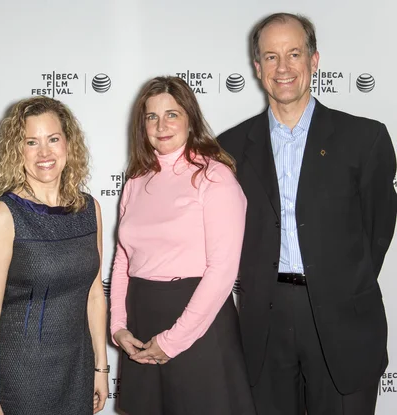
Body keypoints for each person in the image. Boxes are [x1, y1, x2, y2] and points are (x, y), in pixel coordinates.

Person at [217, 13, 397, 415]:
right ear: (257, 66)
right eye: (271, 56)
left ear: (314, 60)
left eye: (294, 54)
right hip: (264, 324)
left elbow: (377, 229)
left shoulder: (365, 140)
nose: (283, 68)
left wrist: (340, 282)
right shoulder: (227, 149)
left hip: (343, 322)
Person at [110, 76, 255, 415]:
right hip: (142, 321)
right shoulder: (135, 179)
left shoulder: (215, 177)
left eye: (172, 114)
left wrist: (173, 340)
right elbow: (123, 260)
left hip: (198, 324)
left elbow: (222, 272)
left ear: (190, 120)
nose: (161, 125)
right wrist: (118, 326)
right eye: (151, 117)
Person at [0, 96, 108, 415]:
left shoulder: (90, 210)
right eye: (31, 142)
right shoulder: (4, 216)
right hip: (23, 374)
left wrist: (101, 368)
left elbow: (94, 296)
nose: (44, 153)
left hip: (77, 367)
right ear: (16, 151)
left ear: (68, 143)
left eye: (52, 139)